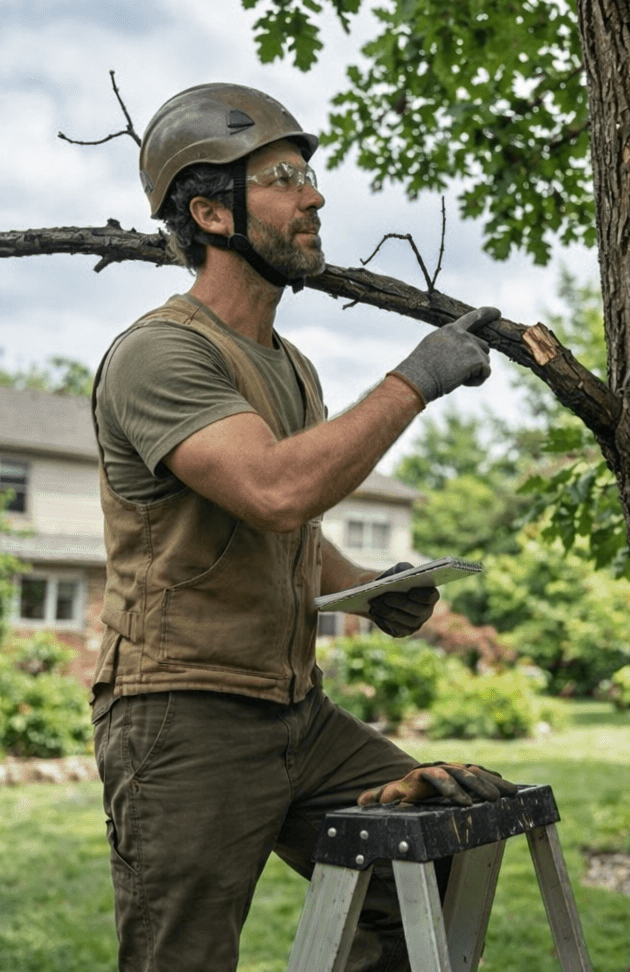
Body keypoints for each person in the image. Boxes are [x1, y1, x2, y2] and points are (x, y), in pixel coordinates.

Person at [89, 82, 514, 972]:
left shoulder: (292, 367)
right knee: (183, 957)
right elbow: (274, 491)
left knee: (433, 851)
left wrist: (366, 592)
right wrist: (417, 379)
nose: (314, 195)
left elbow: (284, 535)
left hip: (298, 716)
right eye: (283, 177)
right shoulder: (163, 353)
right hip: (184, 714)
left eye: (308, 174)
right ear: (210, 211)